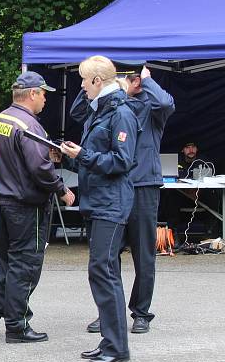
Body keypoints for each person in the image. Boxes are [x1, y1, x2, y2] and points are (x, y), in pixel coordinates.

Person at [75, 66, 174, 335]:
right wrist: (100, 81)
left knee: (144, 254)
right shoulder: (110, 110)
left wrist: (146, 80)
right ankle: (109, 312)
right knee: (108, 255)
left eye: (131, 78)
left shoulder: (152, 109)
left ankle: (141, 312)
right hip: (115, 187)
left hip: (143, 186)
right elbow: (77, 111)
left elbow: (165, 101)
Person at [0, 72, 74, 343]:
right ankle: (17, 326)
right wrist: (62, 189)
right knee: (26, 266)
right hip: (25, 206)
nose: (45, 99)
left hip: (0, 201)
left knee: (7, 263)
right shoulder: (29, 125)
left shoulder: (1, 120)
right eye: (43, 93)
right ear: (32, 93)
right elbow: (39, 168)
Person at [61, 55, 138, 362]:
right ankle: (110, 340)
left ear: (96, 81)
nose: (80, 86)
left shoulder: (121, 113)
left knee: (103, 271)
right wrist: (70, 157)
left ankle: (118, 347)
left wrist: (86, 155)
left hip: (112, 203)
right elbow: (93, 156)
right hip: (99, 202)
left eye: (84, 80)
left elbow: (122, 161)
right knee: (103, 272)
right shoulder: (102, 110)